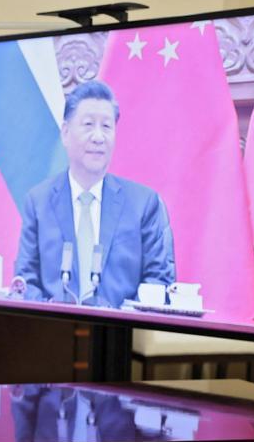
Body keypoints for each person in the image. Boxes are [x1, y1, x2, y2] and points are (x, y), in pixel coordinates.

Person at [14, 79, 175, 308]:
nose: (98, 137)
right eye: (88, 124)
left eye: (107, 126)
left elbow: (159, 280)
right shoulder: (38, 202)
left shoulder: (144, 204)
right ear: (66, 133)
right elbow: (25, 281)